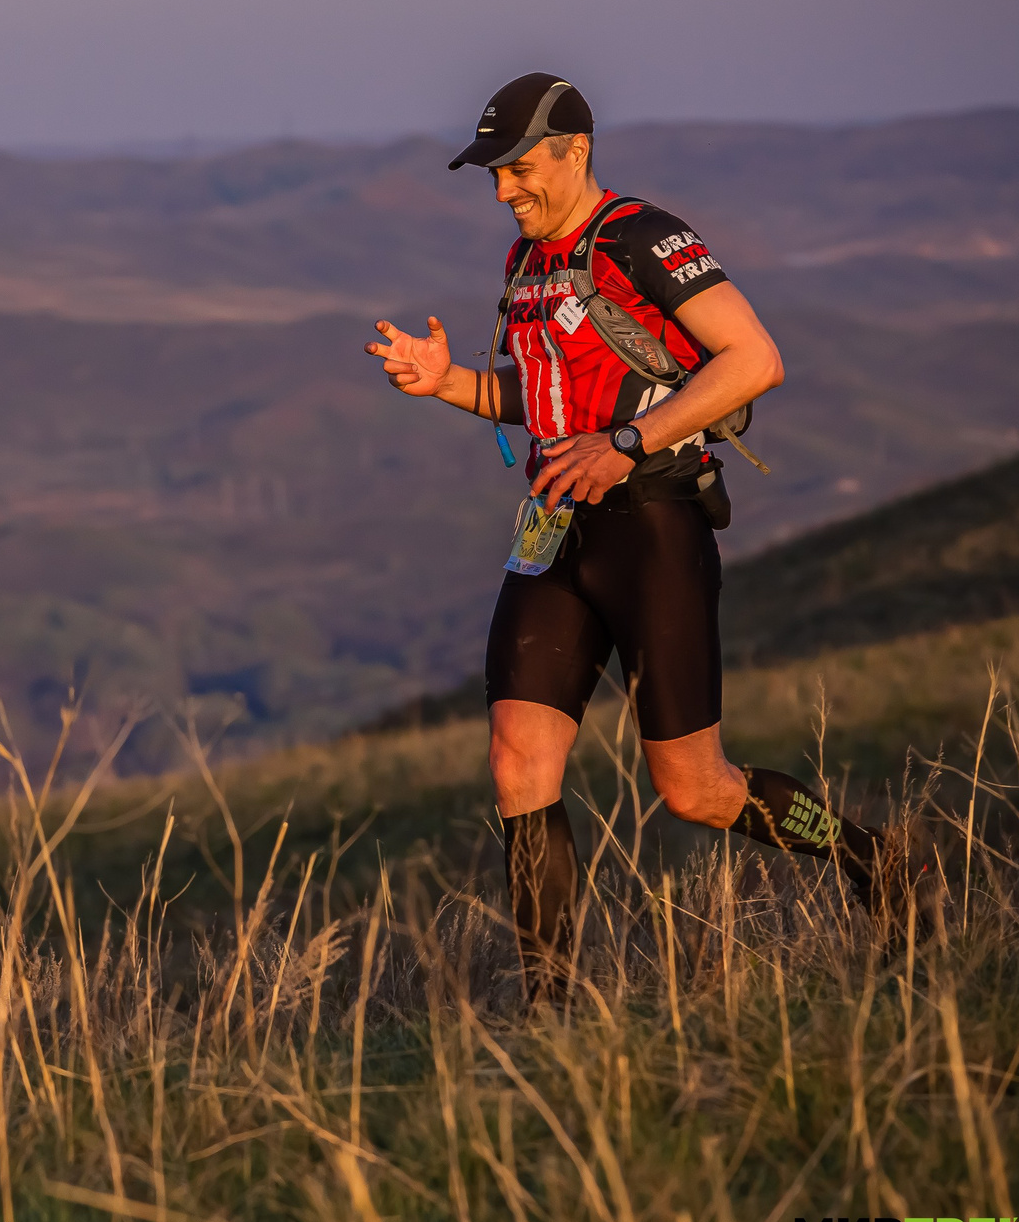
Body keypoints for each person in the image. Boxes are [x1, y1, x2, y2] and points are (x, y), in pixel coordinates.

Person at [364, 73, 906, 1007]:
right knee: (515, 761)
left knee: (692, 788)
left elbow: (755, 360)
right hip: (554, 532)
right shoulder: (526, 259)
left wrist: (626, 445)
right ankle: (552, 1010)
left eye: (520, 168)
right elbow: (538, 404)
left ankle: (877, 860)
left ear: (575, 151)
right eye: (493, 173)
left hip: (654, 523)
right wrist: (447, 379)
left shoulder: (644, 237)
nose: (503, 191)